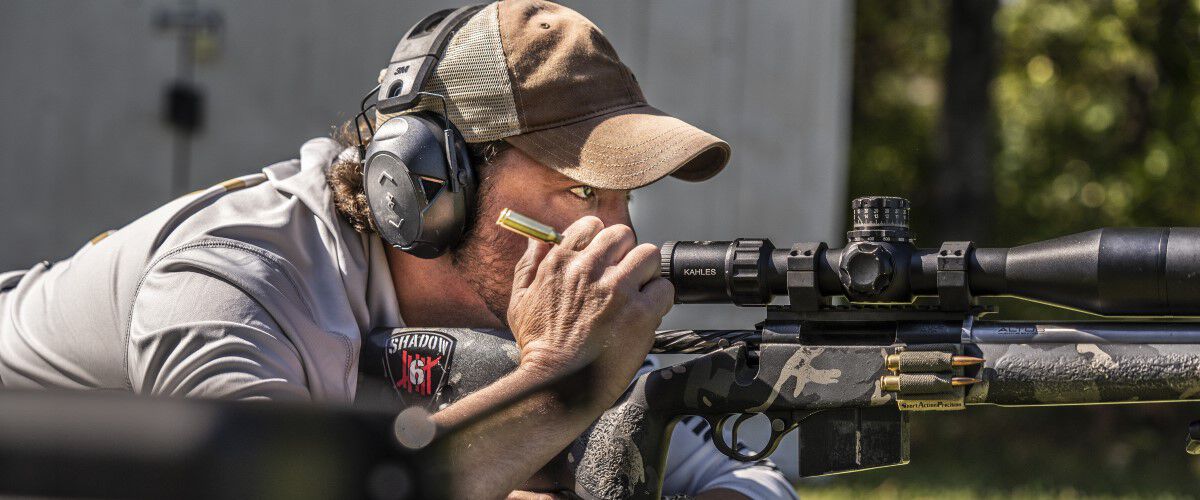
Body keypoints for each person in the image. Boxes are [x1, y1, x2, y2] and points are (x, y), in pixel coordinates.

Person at [0, 1, 796, 498]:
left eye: (626, 197)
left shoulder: (536, 301)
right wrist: (550, 389)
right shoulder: (234, 281)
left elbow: (742, 475)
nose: (616, 237)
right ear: (427, 182)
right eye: (581, 193)